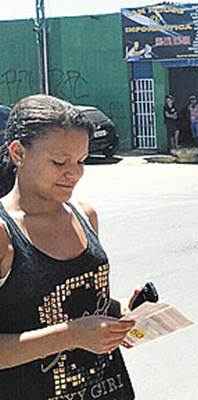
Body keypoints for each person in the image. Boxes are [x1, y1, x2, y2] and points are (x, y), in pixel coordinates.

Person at [0, 95, 139, 399]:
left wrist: (118, 313)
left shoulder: (85, 216)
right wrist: (73, 335)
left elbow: (69, 300)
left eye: (81, 161)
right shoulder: (4, 233)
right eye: (59, 162)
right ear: (18, 152)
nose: (74, 173)